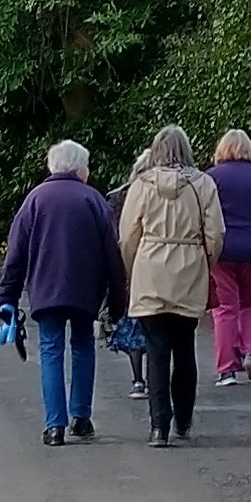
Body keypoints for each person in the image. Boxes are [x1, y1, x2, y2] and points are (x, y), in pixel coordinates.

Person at [0, 139, 127, 447]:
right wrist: (118, 298)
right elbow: (112, 253)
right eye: (87, 166)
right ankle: (81, 418)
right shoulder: (94, 200)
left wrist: (7, 299)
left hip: (46, 289)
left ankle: (55, 425)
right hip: (86, 290)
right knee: (83, 347)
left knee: (50, 351)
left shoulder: (35, 200)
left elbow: (16, 254)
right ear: (79, 168)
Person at [120, 126, 225, 446]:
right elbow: (216, 234)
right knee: (185, 348)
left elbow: (127, 236)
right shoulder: (204, 184)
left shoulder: (141, 185)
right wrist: (206, 262)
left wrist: (133, 267)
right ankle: (183, 419)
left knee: (155, 351)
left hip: (150, 268)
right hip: (189, 267)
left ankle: (158, 427)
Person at [207, 129, 251, 386]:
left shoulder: (211, 178)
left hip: (222, 251)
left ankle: (226, 368)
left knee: (225, 308)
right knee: (250, 304)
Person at [106, 150, 150, 398]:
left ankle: (138, 379)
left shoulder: (118, 197)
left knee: (132, 322)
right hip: (156, 265)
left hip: (125, 266)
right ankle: (154, 377)